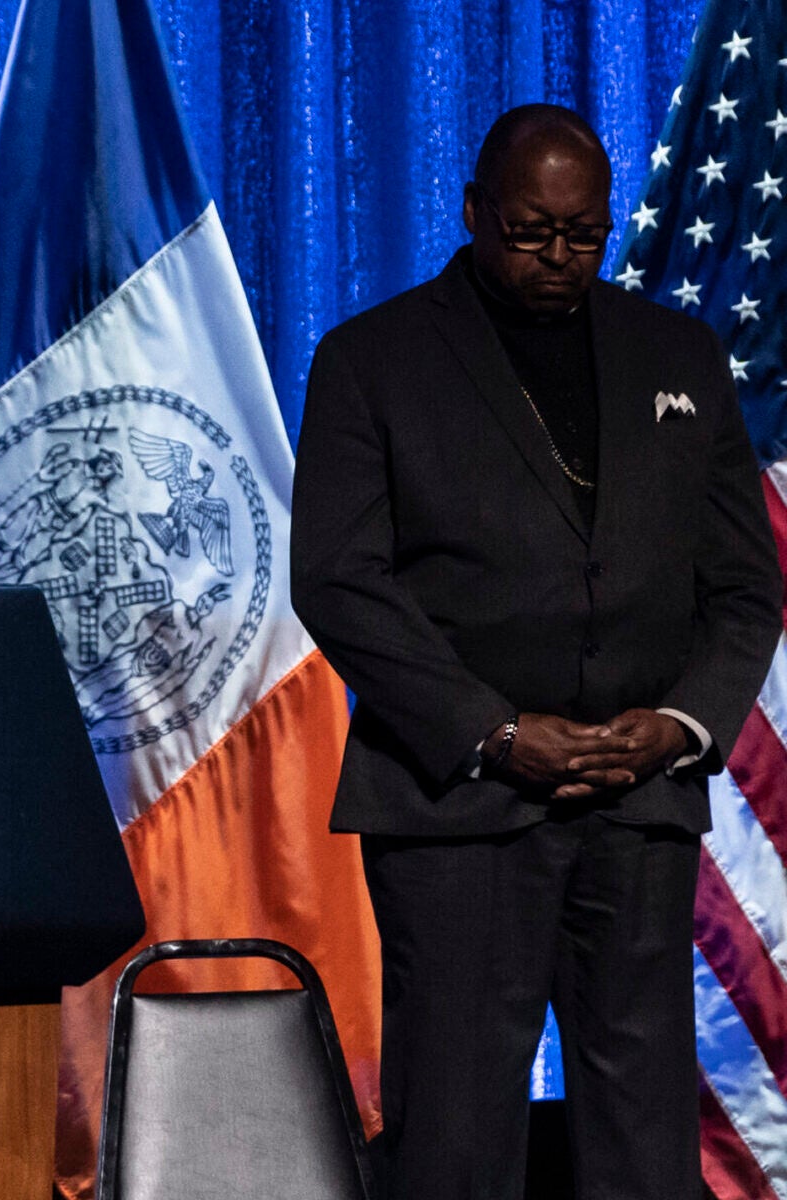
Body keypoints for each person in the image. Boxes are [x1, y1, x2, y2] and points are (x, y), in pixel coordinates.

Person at [291, 106, 779, 1198]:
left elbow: (745, 586)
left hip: (638, 801)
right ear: (473, 213)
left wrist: (678, 727)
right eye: (529, 232)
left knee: (645, 1136)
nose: (558, 256)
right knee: (456, 1133)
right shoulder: (373, 359)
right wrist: (497, 733)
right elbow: (337, 580)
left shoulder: (678, 354)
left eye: (583, 233)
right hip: (458, 806)